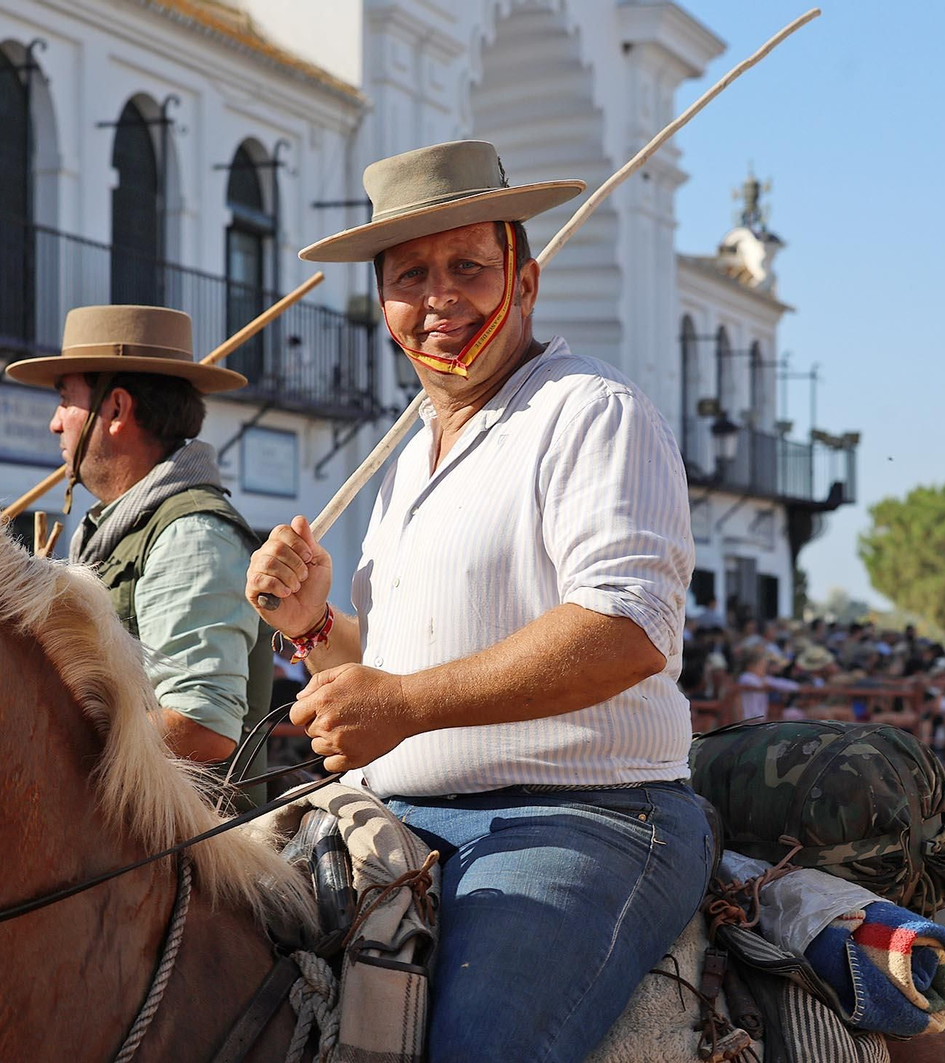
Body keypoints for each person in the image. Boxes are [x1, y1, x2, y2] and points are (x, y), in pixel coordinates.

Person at [246, 139, 712, 1063]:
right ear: (384, 307)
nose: (439, 299)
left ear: (526, 283)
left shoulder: (591, 412)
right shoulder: (407, 457)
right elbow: (393, 683)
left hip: (585, 815)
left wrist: (406, 704)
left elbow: (626, 629)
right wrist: (316, 629)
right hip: (401, 812)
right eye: (411, 275)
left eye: (469, 267)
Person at [5, 305, 270, 767]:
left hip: (184, 838)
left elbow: (200, 728)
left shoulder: (189, 534)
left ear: (116, 408)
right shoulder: (121, 528)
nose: (55, 422)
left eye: (66, 400)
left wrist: (46, 749)